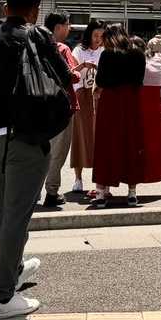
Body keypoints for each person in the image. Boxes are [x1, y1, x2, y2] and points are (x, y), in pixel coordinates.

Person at [0, 0, 73, 319]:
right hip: (26, 135)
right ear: (35, 10)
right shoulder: (38, 36)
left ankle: (12, 270)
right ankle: (4, 297)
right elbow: (63, 78)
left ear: (5, 7)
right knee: (17, 214)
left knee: (4, 206)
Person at [91, 26, 161, 206]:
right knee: (132, 144)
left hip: (110, 103)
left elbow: (101, 80)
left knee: (106, 145)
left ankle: (100, 194)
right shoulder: (137, 54)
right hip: (132, 102)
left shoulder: (107, 55)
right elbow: (139, 80)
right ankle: (132, 193)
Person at [41, 12, 82, 208]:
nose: (69, 28)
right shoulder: (62, 49)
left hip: (39, 105)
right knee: (57, 152)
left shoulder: (34, 47)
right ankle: (51, 192)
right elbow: (73, 76)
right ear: (58, 27)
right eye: (67, 25)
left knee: (40, 151)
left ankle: (33, 191)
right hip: (62, 106)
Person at [69, 19, 104, 197]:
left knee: (100, 137)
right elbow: (72, 72)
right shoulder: (78, 50)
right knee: (80, 135)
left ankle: (101, 180)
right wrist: (83, 66)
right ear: (89, 34)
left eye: (101, 35)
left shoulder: (105, 51)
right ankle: (78, 177)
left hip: (100, 95)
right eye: (95, 35)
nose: (98, 39)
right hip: (82, 94)